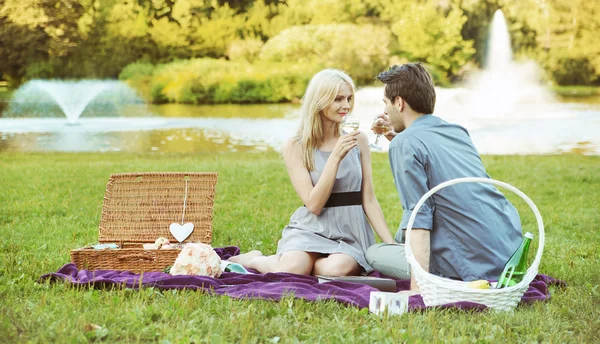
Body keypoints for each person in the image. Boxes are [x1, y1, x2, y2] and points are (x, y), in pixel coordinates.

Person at [366, 63, 522, 291]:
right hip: (507, 254)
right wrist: (400, 140)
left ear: (399, 102)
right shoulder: (456, 131)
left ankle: (440, 276)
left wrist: (418, 291)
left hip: (470, 265)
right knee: (403, 239)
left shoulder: (405, 143)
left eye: (386, 103)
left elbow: (418, 216)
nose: (386, 111)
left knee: (375, 252)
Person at [229, 69, 394, 276]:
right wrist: (335, 157)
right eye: (338, 99)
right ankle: (256, 259)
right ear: (320, 101)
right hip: (311, 228)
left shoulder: (358, 140)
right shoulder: (295, 146)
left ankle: (308, 265)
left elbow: (368, 199)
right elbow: (314, 205)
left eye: (349, 98)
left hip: (350, 232)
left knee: (335, 270)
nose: (346, 106)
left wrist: (391, 246)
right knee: (290, 270)